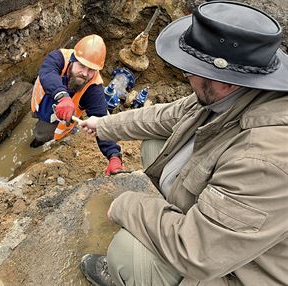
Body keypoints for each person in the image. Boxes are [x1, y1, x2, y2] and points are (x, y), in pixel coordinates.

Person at [79, 1, 288, 286]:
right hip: (230, 230)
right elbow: (168, 116)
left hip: (243, 270)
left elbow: (197, 253)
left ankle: (133, 274)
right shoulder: (236, 93)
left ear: (223, 81)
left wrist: (126, 205)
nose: (186, 75)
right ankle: (188, 215)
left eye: (191, 69)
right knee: (155, 144)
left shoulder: (265, 159)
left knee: (127, 252)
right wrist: (103, 125)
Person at [30, 34, 124, 175]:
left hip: (55, 120)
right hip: (39, 103)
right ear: (74, 59)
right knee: (35, 116)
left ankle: (37, 143)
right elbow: (47, 73)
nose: (85, 73)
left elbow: (100, 120)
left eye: (91, 70)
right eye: (82, 66)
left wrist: (113, 154)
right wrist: (63, 97)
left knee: (40, 134)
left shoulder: (94, 88)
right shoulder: (59, 57)